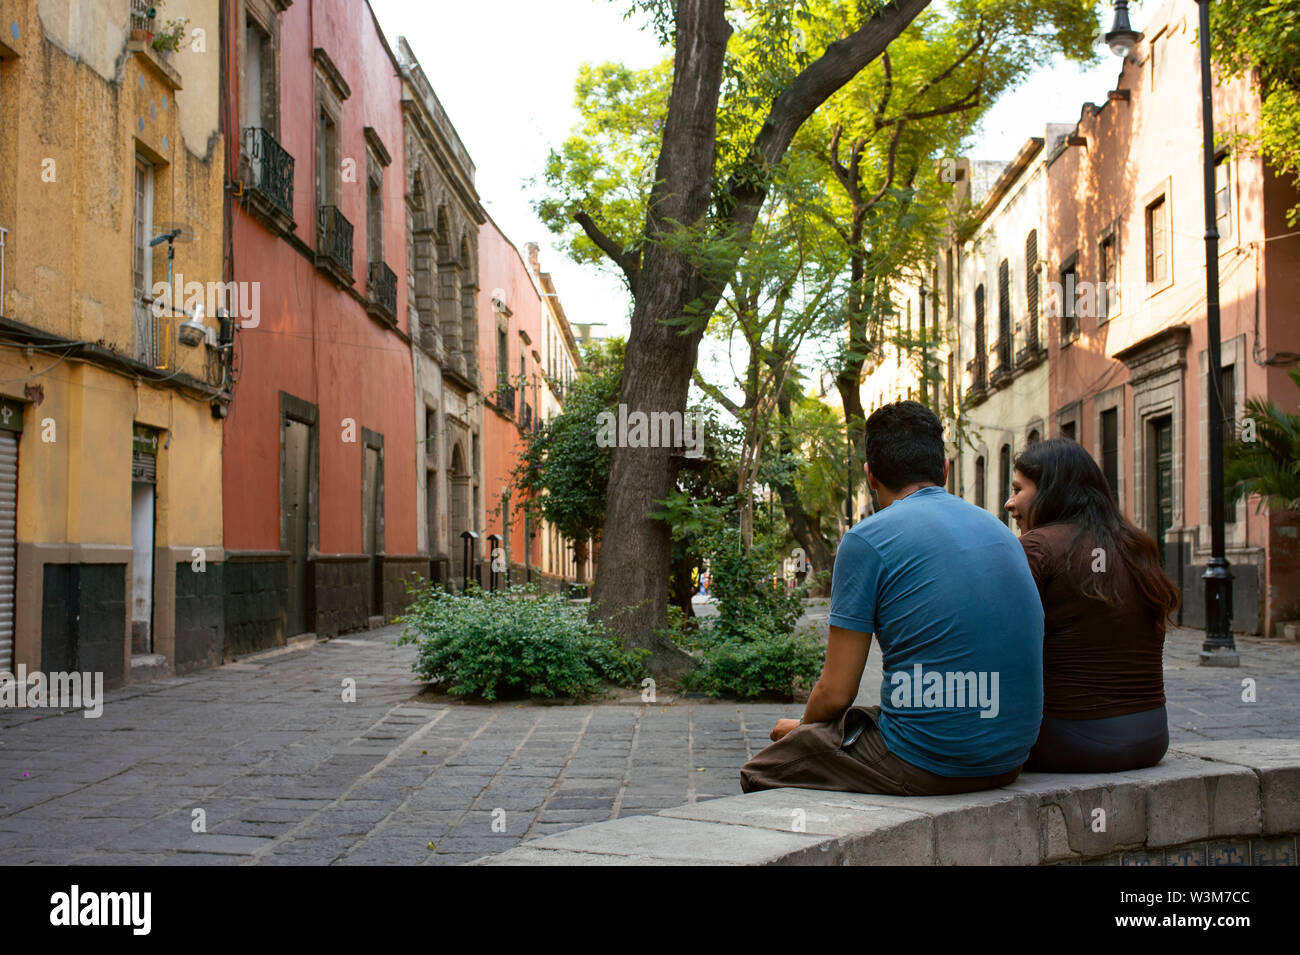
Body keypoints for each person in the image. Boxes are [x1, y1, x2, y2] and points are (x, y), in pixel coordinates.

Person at [740, 401, 1044, 796]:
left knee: (761, 770)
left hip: (929, 761)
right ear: (945, 470)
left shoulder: (866, 539)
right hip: (1010, 756)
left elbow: (835, 692)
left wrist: (804, 734)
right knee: (865, 718)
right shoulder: (1000, 531)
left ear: (870, 476)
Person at [1004, 438, 1181, 773]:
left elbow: (1000, 647)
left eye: (1017, 489)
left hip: (1071, 744)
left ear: (1050, 491)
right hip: (1152, 738)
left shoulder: (1037, 548)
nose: (1009, 503)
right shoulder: (1136, 544)